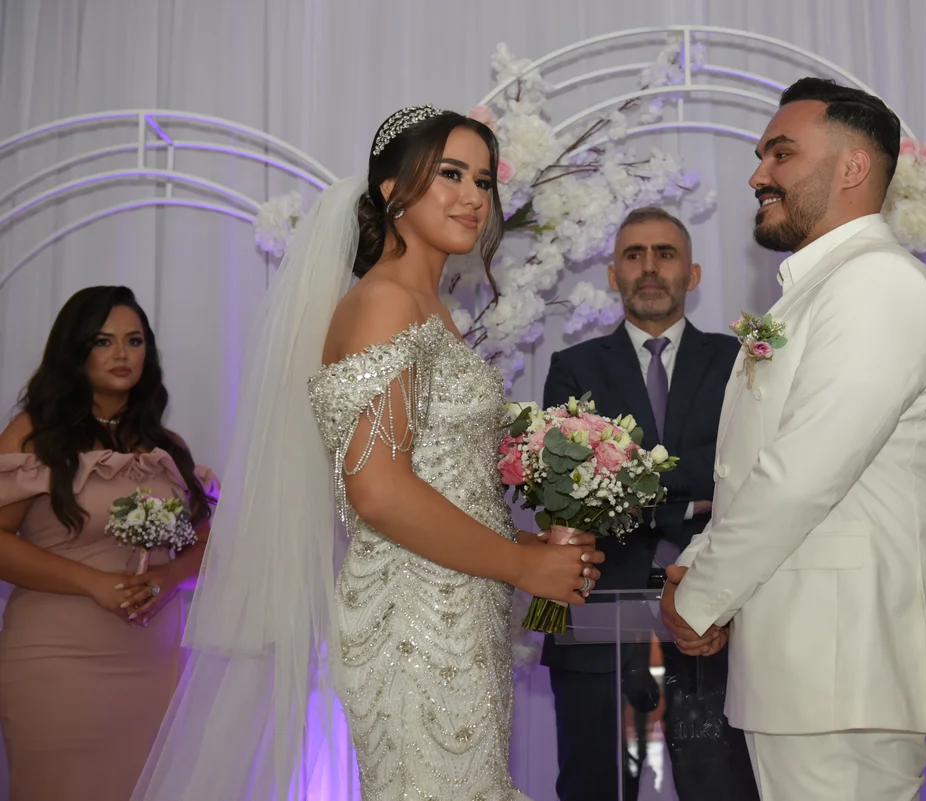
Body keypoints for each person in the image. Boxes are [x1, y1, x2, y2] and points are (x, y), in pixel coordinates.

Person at [131, 106, 603, 801]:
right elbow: (377, 490)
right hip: (413, 618)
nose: (473, 197)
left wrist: (529, 544)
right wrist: (522, 564)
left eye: (483, 180)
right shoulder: (386, 302)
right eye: (450, 174)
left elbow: (440, 476)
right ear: (391, 190)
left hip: (458, 603)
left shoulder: (428, 307)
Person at [660, 78, 926, 801]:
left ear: (853, 167)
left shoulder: (879, 283)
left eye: (782, 154)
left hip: (844, 665)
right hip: (807, 671)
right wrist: (697, 571)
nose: (759, 175)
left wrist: (700, 595)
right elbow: (758, 471)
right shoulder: (819, 290)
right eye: (762, 157)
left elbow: (803, 475)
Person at [540, 207, 755, 801]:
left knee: (722, 789)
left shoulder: (740, 362)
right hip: (597, 620)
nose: (650, 267)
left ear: (693, 273)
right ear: (613, 275)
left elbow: (748, 470)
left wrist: (629, 480)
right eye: (634, 255)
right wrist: (692, 502)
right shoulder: (573, 368)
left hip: (714, 618)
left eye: (666, 253)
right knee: (593, 789)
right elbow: (568, 488)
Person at [0, 285, 217, 801]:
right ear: (74, 350)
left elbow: (207, 540)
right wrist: (93, 583)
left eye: (134, 340)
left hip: (152, 660)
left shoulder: (168, 448)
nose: (122, 353)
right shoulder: (35, 435)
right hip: (57, 656)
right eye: (104, 341)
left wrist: (168, 577)